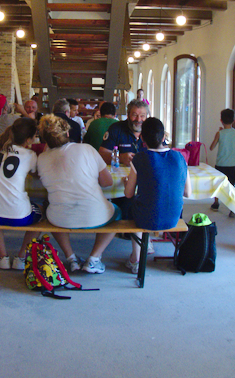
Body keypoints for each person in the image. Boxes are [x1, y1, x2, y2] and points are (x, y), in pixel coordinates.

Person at [36, 115, 119, 274]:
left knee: (51, 212)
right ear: (67, 133)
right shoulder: (87, 149)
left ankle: (71, 258)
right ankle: (94, 258)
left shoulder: (42, 159)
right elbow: (107, 182)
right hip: (95, 214)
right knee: (117, 214)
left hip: (59, 218)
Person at [122, 118, 191, 273]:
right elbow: (188, 192)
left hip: (146, 218)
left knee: (133, 205)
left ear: (142, 138)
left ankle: (136, 259)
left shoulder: (140, 158)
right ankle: (145, 248)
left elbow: (128, 194)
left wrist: (126, 182)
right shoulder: (180, 158)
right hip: (173, 218)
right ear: (163, 137)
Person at [0, 117, 43, 270]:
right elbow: (36, 174)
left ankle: (2, 257)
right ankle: (21, 257)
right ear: (28, 139)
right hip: (18, 215)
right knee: (42, 214)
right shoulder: (29, 155)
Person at [99, 99, 149, 166]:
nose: (138, 119)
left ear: (146, 117)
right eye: (134, 115)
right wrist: (120, 158)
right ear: (128, 115)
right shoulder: (116, 129)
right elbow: (102, 154)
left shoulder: (152, 131)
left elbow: (161, 152)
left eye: (142, 116)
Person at [209, 108, 235, 212]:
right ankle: (232, 207)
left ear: (221, 120)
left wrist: (218, 134)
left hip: (220, 164)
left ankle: (216, 203)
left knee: (218, 184)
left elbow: (211, 147)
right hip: (232, 164)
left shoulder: (219, 133)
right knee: (231, 186)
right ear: (233, 121)